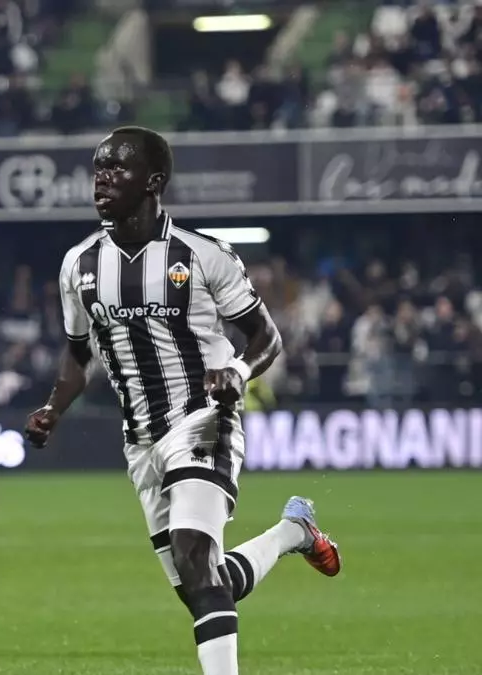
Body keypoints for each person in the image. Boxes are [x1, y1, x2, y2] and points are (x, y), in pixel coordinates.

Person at [24, 126, 341, 675]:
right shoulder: (79, 264)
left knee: (195, 556)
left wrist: (237, 372)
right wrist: (54, 407)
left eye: (116, 168)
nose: (101, 178)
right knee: (204, 587)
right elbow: (78, 353)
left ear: (153, 182)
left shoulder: (203, 256)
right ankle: (294, 532)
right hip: (141, 441)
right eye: (98, 168)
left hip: (203, 420)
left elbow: (265, 338)